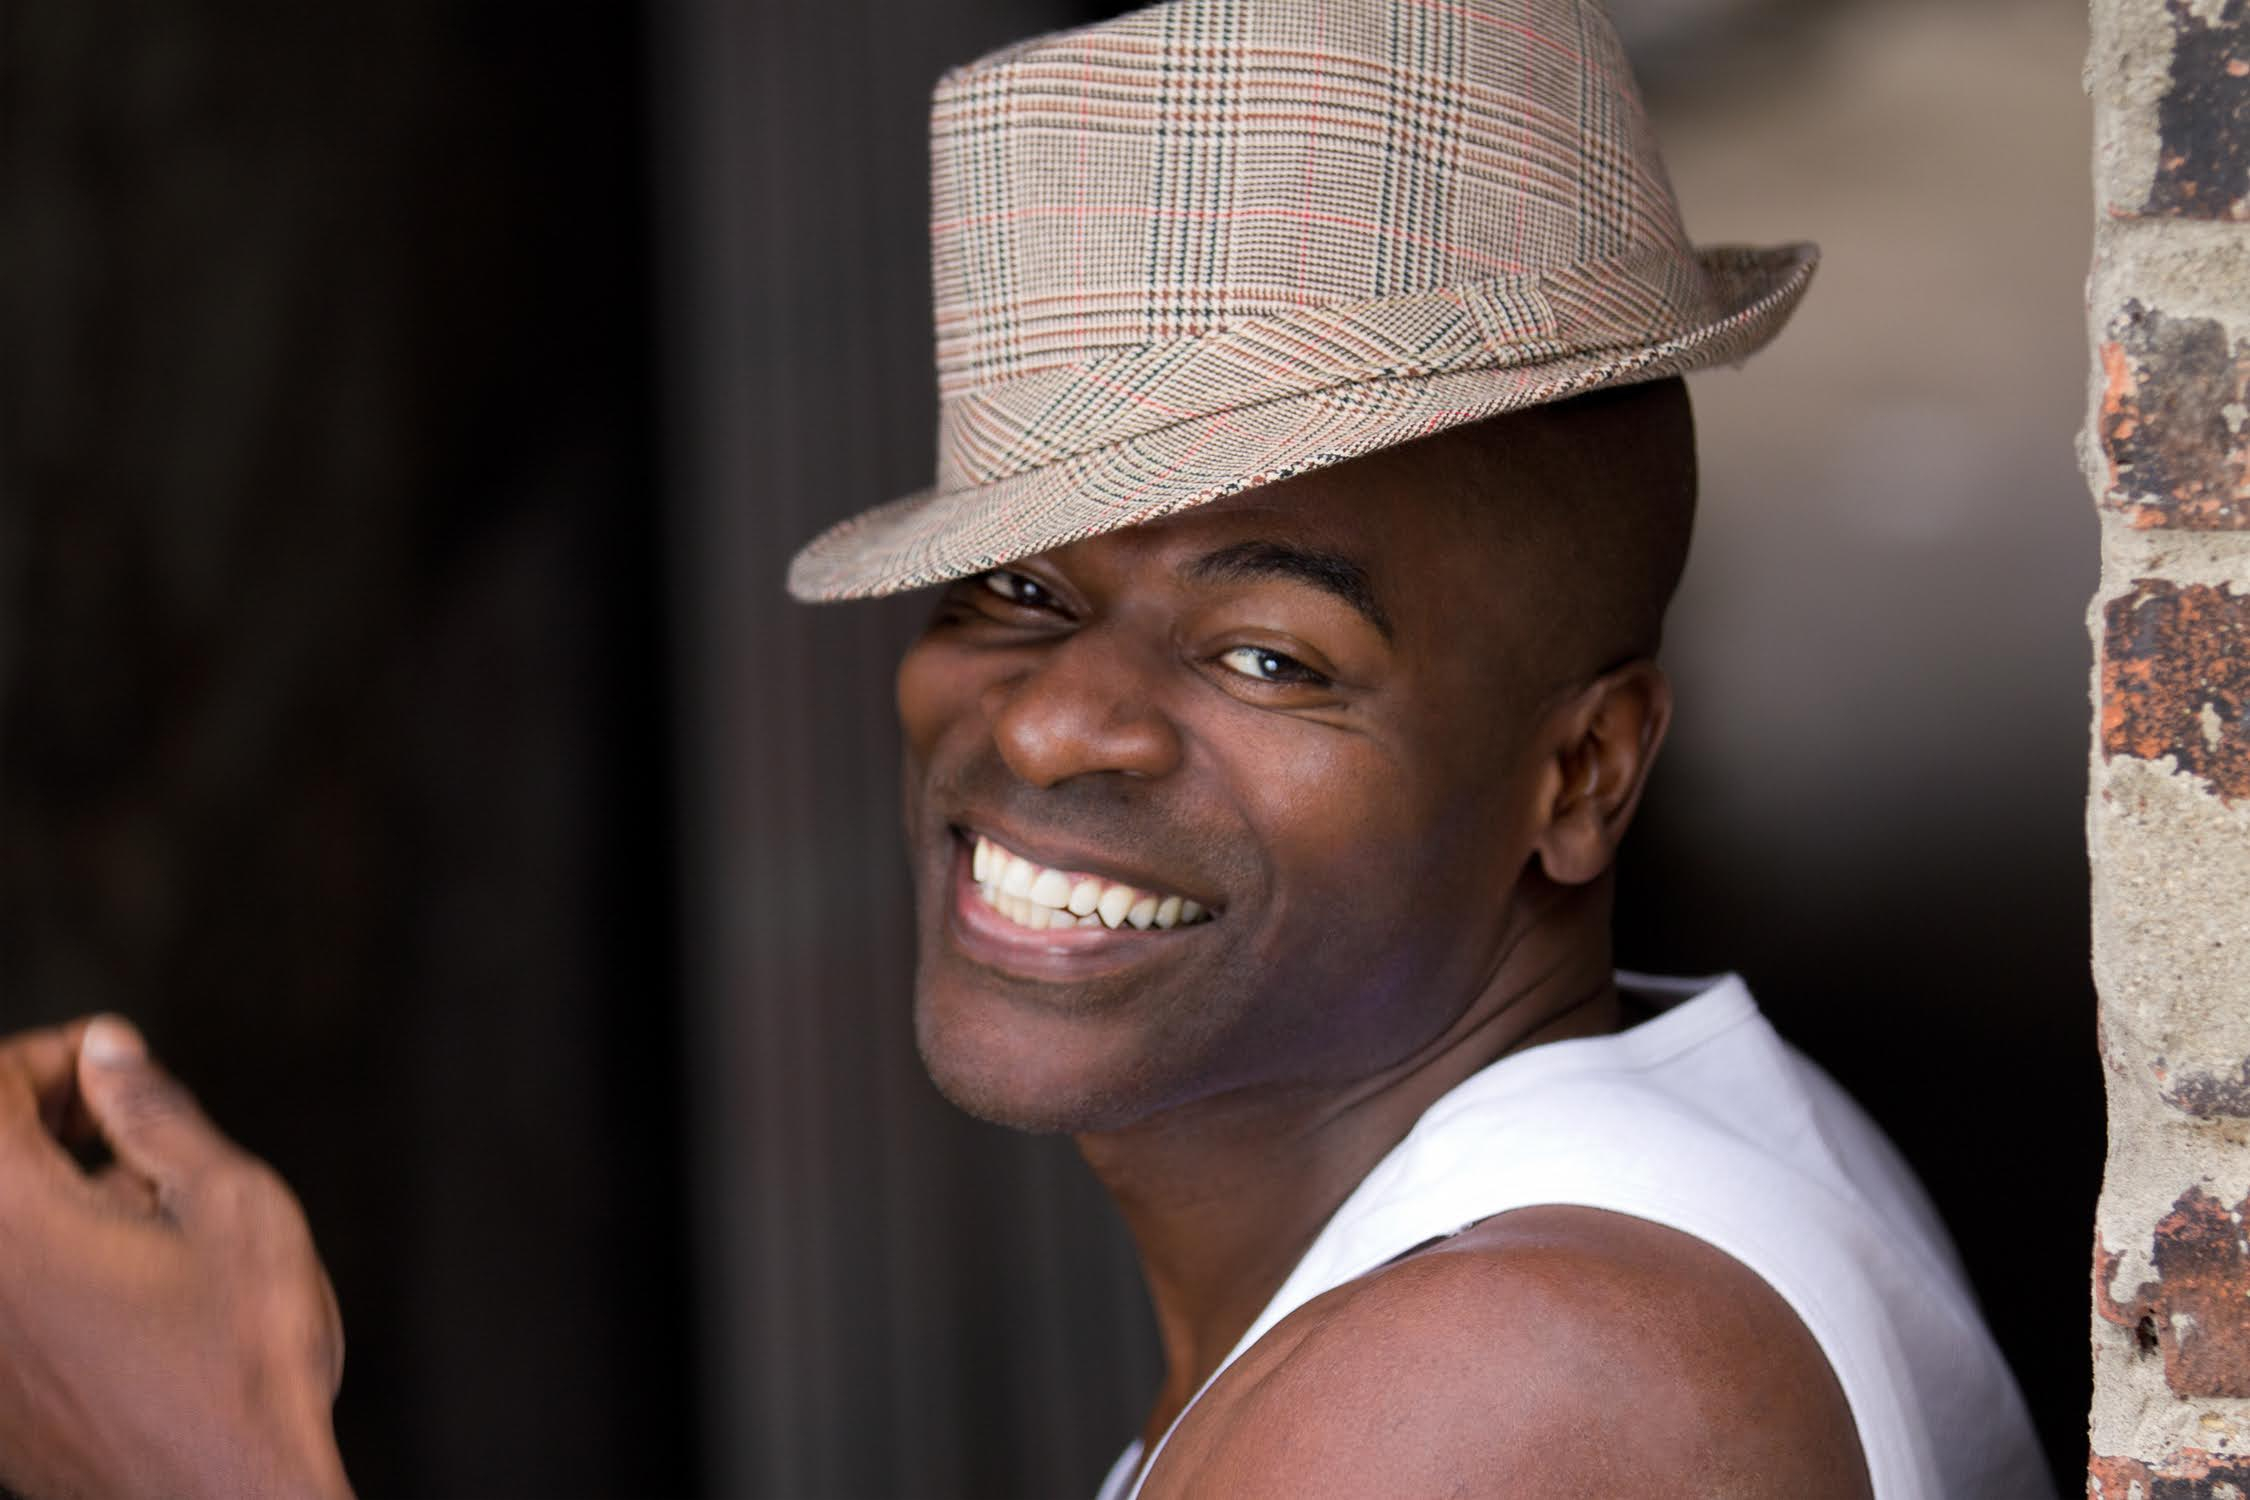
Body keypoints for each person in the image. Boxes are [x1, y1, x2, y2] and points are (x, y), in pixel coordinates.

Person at [0, 0, 2053, 1496]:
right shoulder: (1621, 1154)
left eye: (1268, 656)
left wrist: (208, 1454)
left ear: (1582, 777)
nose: (1057, 716)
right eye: (1020, 591)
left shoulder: (1502, 1391)